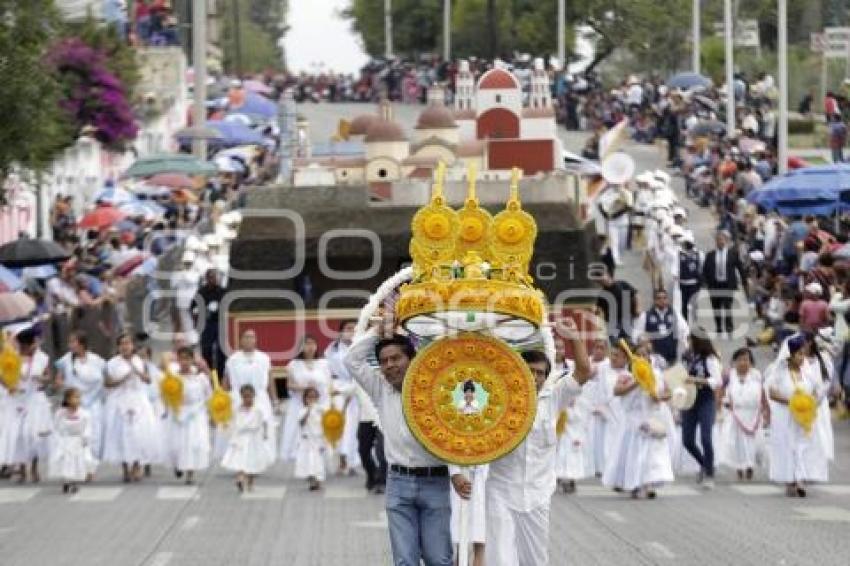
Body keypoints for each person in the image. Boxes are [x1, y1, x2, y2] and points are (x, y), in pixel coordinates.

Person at [457, 318, 590, 566]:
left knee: (535, 560)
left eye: (540, 373)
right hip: (500, 491)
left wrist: (574, 337)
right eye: (529, 370)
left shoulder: (554, 397)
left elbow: (583, 371)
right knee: (500, 558)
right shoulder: (497, 401)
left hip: (538, 494)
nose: (535, 377)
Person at [344, 322, 453, 566]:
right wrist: (377, 332)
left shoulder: (435, 389)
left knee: (439, 559)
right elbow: (352, 360)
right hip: (398, 483)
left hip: (436, 482)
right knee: (405, 560)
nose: (390, 365)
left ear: (412, 360)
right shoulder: (380, 389)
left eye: (396, 358)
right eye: (384, 361)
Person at [602, 341, 674, 499]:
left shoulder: (658, 374)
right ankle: (634, 483)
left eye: (645, 354)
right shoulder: (626, 375)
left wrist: (659, 397)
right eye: (639, 354)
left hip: (651, 419)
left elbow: (668, 392)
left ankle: (648, 485)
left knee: (651, 455)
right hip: (632, 421)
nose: (642, 357)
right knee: (634, 454)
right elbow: (617, 391)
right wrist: (637, 381)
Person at [765, 335, 830, 497]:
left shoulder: (807, 371)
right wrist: (790, 401)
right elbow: (772, 393)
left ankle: (800, 479)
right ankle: (790, 478)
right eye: (799, 354)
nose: (802, 358)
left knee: (803, 447)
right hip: (785, 417)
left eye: (803, 354)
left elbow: (817, 390)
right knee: (788, 447)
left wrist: (811, 402)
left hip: (803, 418)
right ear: (791, 355)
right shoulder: (780, 371)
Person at [103, 333, 158, 483]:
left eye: (128, 343)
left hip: (138, 399)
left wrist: (137, 371)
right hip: (119, 400)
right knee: (121, 434)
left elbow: (148, 380)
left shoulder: (140, 361)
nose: (125, 347)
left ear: (133, 346)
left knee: (138, 433)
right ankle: (125, 467)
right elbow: (107, 383)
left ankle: (137, 464)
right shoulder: (112, 363)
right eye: (122, 344)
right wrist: (121, 379)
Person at [0, 328, 53, 483]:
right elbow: (2, 375)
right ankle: (22, 469)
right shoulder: (11, 357)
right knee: (19, 435)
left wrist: (42, 379)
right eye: (30, 344)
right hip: (17, 399)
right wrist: (8, 385)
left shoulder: (42, 358)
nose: (33, 347)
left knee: (33, 434)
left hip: (35, 399)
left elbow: (48, 376)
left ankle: (34, 468)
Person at [224, 330, 278, 459]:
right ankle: (239, 458)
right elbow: (226, 382)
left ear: (256, 340)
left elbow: (270, 380)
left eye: (252, 337)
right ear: (241, 340)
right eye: (246, 337)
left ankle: (258, 458)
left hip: (259, 397)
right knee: (240, 429)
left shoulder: (264, 358)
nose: (249, 340)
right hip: (238, 398)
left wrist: (274, 399)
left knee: (259, 428)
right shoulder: (233, 359)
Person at [450, 381, 487, 566]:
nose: (469, 395)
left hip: (479, 469)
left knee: (480, 517)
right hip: (459, 465)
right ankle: (458, 558)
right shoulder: (457, 409)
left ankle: (479, 559)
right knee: (458, 516)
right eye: (467, 392)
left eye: (472, 392)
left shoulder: (480, 409)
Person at [55, 332, 107, 464]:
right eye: (70, 342)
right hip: (73, 404)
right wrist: (61, 385)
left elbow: (104, 378)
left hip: (93, 403)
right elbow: (58, 379)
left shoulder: (96, 360)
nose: (70, 345)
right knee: (74, 436)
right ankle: (78, 465)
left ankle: (91, 464)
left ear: (82, 344)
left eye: (73, 342)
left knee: (93, 435)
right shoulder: (65, 361)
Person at [680, 333, 723, 488]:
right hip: (689, 400)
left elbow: (716, 381)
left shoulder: (710, 358)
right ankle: (704, 464)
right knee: (687, 440)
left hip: (705, 399)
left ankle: (709, 474)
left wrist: (697, 380)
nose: (688, 343)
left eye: (690, 339)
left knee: (706, 437)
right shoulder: (686, 357)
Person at [165, 347, 211, 485]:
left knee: (193, 443)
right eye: (181, 359)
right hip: (178, 413)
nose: (184, 362)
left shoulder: (200, 378)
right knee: (178, 443)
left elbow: (208, 395)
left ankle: (190, 473)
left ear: (192, 360)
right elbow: (167, 396)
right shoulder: (172, 378)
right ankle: (178, 464)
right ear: (178, 360)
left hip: (196, 414)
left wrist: (210, 413)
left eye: (187, 358)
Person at [280, 335, 330, 461]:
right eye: (307, 344)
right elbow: (289, 385)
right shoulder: (294, 364)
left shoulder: (324, 363)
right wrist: (304, 388)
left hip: (319, 403)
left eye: (313, 343)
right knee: (299, 431)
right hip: (299, 403)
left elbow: (328, 384)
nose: (310, 347)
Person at [718, 348, 764, 480]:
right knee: (737, 442)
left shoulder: (756, 375)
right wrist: (722, 405)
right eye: (740, 360)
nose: (744, 363)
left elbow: (763, 394)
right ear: (734, 362)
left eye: (746, 360)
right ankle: (739, 467)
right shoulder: (729, 376)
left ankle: (750, 465)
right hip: (735, 414)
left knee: (753, 442)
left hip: (753, 414)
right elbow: (721, 392)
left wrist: (766, 411)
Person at [325, 320, 361, 474]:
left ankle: (353, 462)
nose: (351, 331)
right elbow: (327, 372)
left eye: (354, 329)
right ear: (340, 331)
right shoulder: (332, 350)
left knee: (354, 429)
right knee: (341, 427)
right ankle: (342, 460)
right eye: (348, 329)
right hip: (338, 390)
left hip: (357, 389)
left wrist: (352, 391)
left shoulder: (361, 347)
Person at [222, 384, 272, 492]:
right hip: (241, 437)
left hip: (254, 437)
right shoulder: (238, 409)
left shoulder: (258, 408)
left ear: (253, 395)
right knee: (241, 459)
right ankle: (240, 478)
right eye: (245, 397)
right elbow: (232, 421)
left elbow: (264, 422)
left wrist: (265, 434)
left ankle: (250, 482)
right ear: (241, 397)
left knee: (253, 460)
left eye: (249, 396)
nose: (247, 399)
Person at [49, 388, 97, 494]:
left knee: (77, 462)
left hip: (78, 441)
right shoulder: (61, 413)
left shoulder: (84, 413)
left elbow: (87, 427)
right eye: (75, 397)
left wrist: (86, 438)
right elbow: (56, 426)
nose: (78, 400)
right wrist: (57, 438)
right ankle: (67, 481)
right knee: (67, 461)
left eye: (79, 397)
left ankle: (74, 482)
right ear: (68, 399)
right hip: (66, 441)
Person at [702, 230, 748, 337]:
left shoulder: (732, 254)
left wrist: (744, 280)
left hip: (728, 284)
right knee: (716, 307)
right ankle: (718, 326)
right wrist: (704, 282)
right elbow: (705, 270)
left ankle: (729, 326)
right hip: (715, 284)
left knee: (727, 306)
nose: (720, 242)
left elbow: (739, 268)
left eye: (722, 240)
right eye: (718, 240)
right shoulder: (710, 255)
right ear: (716, 242)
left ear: (726, 241)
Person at [632, 289, 689, 367]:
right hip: (655, 358)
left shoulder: (675, 314)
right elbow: (636, 334)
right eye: (659, 298)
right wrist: (642, 342)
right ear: (654, 300)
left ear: (668, 299)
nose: (662, 300)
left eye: (664, 298)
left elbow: (685, 331)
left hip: (673, 357)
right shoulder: (645, 316)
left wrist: (684, 347)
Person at [353, 383, 386, 494]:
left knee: (381, 451)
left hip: (381, 419)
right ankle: (372, 475)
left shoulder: (381, 378)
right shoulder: (357, 380)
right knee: (363, 451)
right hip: (365, 420)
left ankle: (382, 481)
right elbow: (348, 390)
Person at [294, 387, 326, 491]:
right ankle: (312, 480)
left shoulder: (321, 410)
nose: (312, 400)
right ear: (305, 399)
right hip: (307, 440)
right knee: (309, 460)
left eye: (314, 397)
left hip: (318, 439)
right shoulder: (302, 410)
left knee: (318, 461)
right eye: (309, 397)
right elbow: (301, 423)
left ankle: (318, 480)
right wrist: (308, 410)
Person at [197, 269, 226, 377]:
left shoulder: (222, 291)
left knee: (221, 349)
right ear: (207, 279)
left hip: (220, 324)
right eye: (211, 278)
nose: (213, 280)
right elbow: (193, 307)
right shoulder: (201, 292)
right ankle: (207, 372)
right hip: (207, 324)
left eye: (215, 277)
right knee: (206, 348)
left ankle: (220, 374)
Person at [596, 269, 638, 342]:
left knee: (628, 341)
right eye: (600, 280)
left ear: (608, 274)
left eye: (603, 276)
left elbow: (635, 295)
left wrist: (637, 308)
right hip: (612, 323)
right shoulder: (602, 294)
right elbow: (599, 309)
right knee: (614, 342)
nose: (603, 280)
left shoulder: (623, 284)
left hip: (627, 319)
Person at [676, 231, 703, 323]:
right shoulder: (679, 254)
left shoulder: (698, 254)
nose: (687, 245)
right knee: (684, 305)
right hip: (683, 283)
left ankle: (695, 323)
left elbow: (701, 267)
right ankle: (685, 323)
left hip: (694, 284)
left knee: (694, 305)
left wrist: (701, 281)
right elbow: (676, 268)